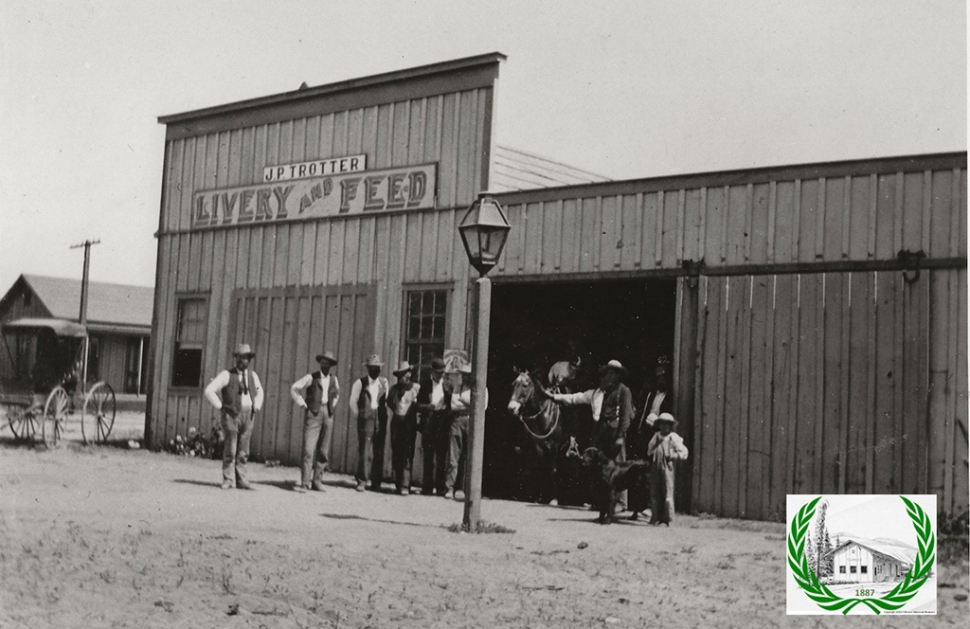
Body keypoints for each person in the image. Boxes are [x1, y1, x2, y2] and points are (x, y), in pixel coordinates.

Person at [549, 359, 634, 509]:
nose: (607, 376)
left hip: (615, 433)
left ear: (617, 375)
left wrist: (620, 436)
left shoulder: (624, 390)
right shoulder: (603, 392)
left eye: (611, 373)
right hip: (602, 433)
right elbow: (582, 401)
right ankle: (602, 501)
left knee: (619, 467)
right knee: (603, 468)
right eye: (607, 373)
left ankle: (621, 502)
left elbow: (626, 415)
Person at [204, 343, 264, 490]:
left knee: (244, 450)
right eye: (239, 357)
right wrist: (220, 406)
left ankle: (242, 480)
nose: (242, 361)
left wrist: (256, 406)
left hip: (248, 414)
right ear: (236, 358)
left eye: (245, 358)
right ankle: (228, 480)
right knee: (230, 448)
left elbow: (260, 392)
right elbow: (209, 390)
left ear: (249, 360)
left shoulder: (252, 376)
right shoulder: (227, 375)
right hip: (231, 415)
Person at [628, 357, 674, 520]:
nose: (660, 380)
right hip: (645, 435)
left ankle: (651, 506)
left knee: (653, 473)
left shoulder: (670, 396)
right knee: (640, 470)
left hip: (658, 437)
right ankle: (638, 506)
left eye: (663, 377)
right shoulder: (650, 394)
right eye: (658, 377)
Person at [289, 350, 340, 493]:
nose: (325, 365)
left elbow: (337, 394)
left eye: (327, 363)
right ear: (320, 363)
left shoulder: (334, 379)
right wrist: (303, 404)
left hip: (327, 414)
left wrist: (331, 405)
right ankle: (305, 483)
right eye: (323, 363)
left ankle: (317, 481)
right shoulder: (311, 377)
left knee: (323, 451)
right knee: (308, 449)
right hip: (313, 414)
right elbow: (294, 388)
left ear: (330, 365)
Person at [444, 362, 489, 500]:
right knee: (454, 455)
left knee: (470, 456)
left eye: (467, 375)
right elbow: (454, 404)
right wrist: (470, 402)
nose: (464, 377)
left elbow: (482, 406)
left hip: (472, 421)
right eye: (463, 374)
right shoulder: (458, 387)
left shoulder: (482, 388)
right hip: (457, 421)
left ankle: (465, 488)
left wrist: (464, 401)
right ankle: (449, 488)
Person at [348, 355, 389, 492]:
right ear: (368, 368)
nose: (376, 371)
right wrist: (361, 415)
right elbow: (353, 401)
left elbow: (386, 400)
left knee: (379, 451)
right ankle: (362, 480)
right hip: (366, 420)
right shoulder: (360, 383)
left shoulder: (384, 383)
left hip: (380, 419)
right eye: (373, 368)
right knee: (365, 451)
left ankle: (376, 482)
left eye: (378, 368)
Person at [416, 357, 452, 496]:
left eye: (442, 373)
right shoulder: (425, 385)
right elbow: (418, 405)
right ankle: (427, 487)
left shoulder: (448, 385)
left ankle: (440, 487)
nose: (440, 375)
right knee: (428, 456)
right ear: (432, 371)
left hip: (442, 423)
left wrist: (445, 414)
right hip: (429, 423)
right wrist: (428, 407)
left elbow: (451, 406)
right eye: (437, 372)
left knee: (441, 457)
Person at [646, 412, 688, 526]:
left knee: (667, 492)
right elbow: (649, 450)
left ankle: (668, 519)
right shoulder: (656, 436)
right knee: (655, 492)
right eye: (662, 424)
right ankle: (655, 517)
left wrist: (673, 455)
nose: (664, 427)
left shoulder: (673, 437)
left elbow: (684, 452)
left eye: (667, 424)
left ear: (670, 426)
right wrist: (654, 453)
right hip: (656, 466)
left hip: (667, 468)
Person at [386, 361, 421, 496]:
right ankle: (398, 483)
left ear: (410, 374)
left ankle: (405, 485)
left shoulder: (415, 388)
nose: (404, 377)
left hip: (409, 423)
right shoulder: (394, 389)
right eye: (401, 375)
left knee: (407, 453)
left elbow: (419, 404)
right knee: (397, 452)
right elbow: (390, 403)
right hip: (397, 422)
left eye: (406, 374)